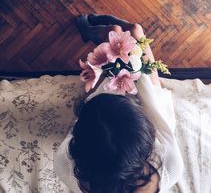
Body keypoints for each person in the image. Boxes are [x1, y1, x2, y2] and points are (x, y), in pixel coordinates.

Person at [53, 14, 184, 193]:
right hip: (150, 107)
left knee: (115, 33)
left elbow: (79, 126)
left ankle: (95, 32)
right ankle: (120, 32)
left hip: (103, 105)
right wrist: (135, 71)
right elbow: (156, 112)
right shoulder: (169, 166)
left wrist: (116, 76)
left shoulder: (64, 165)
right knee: (136, 30)